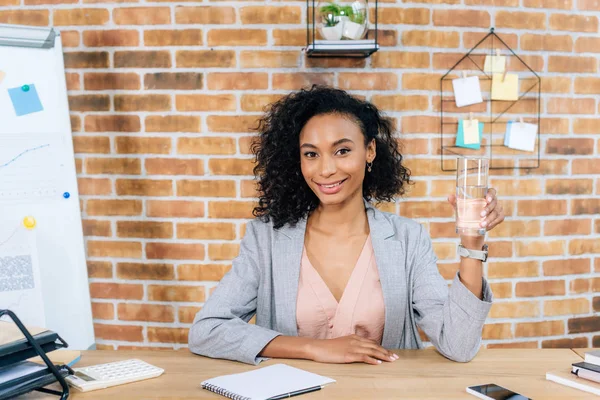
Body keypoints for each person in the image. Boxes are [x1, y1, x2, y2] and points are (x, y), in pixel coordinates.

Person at [189, 85, 504, 366]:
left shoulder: (408, 240)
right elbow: (206, 330)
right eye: (311, 154)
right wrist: (313, 349)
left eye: (342, 151)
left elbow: (459, 345)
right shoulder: (266, 239)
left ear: (369, 151)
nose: (326, 169)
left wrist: (472, 244)